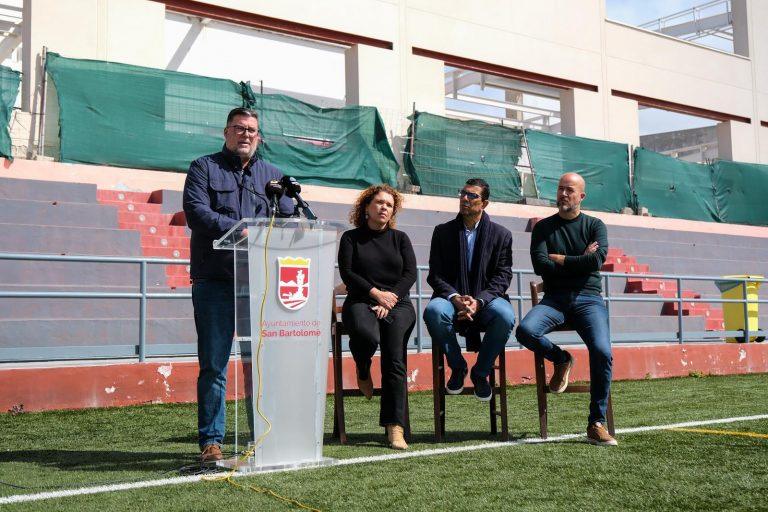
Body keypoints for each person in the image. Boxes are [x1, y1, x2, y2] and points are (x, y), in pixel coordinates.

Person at [183, 107, 294, 462]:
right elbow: (195, 211)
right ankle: (211, 442)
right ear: (226, 132)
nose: (246, 135)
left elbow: (290, 215)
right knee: (214, 364)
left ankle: (263, 435)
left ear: (258, 137)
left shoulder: (273, 175)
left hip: (259, 281)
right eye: (239, 128)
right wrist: (239, 229)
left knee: (261, 363)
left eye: (252, 131)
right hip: (214, 279)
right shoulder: (204, 167)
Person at [515, 172, 616, 446]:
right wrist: (579, 259)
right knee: (525, 331)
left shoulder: (596, 225)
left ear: (581, 196)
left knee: (602, 352)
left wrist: (561, 260)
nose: (563, 194)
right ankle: (561, 359)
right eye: (560, 189)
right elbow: (540, 265)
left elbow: (597, 260)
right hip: (555, 299)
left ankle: (596, 422)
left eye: (569, 190)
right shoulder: (543, 227)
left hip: (588, 298)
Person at [337, 184, 417, 450]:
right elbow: (348, 273)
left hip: (398, 304)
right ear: (367, 207)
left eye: (389, 205)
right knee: (365, 334)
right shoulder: (350, 238)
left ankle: (394, 428)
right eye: (379, 203)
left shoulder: (400, 238)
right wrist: (375, 294)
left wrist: (389, 299)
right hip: (361, 299)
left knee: (394, 359)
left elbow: (410, 275)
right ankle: (362, 366)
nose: (384, 208)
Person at [423, 178, 515, 402]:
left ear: (484, 203)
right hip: (450, 297)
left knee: (506, 315)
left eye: (472, 196)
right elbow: (435, 275)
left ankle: (481, 372)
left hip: (487, 299)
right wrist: (455, 298)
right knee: (434, 311)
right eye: (462, 193)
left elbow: (503, 276)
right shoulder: (442, 232)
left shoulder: (501, 234)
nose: (464, 198)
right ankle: (458, 367)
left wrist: (479, 301)